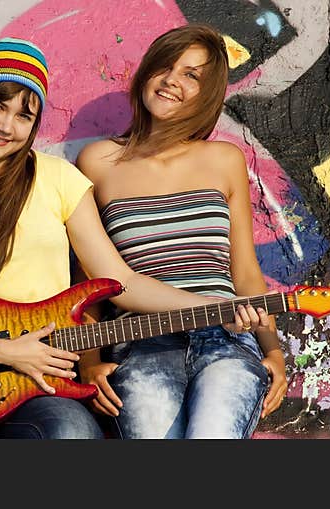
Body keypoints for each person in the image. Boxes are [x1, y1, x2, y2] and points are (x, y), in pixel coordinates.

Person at [0, 37, 262, 439]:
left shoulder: (60, 179)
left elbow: (120, 282)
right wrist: (8, 352)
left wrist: (217, 306)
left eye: (24, 116)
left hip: (48, 380)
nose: (5, 126)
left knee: (72, 434)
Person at [74, 23, 288, 439]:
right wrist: (89, 361)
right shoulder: (98, 161)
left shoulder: (224, 160)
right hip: (140, 344)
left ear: (206, 95)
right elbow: (89, 283)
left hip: (224, 337)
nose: (172, 80)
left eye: (192, 75)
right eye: (166, 67)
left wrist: (274, 351)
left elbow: (244, 273)